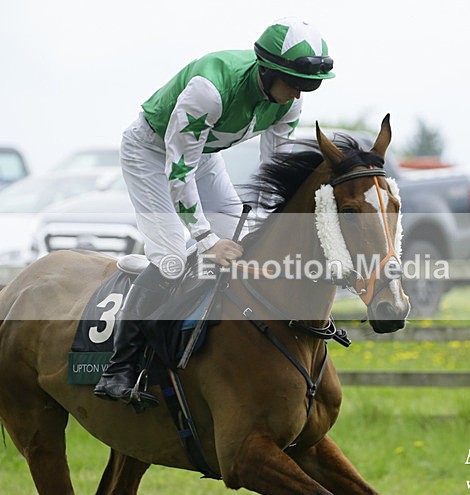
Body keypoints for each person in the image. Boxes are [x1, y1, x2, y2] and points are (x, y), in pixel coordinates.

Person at [94, 17, 335, 406]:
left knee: (237, 239)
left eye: (308, 86)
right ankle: (119, 368)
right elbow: (177, 170)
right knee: (173, 253)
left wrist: (266, 231)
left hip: (202, 156)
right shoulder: (209, 91)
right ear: (268, 71)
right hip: (151, 152)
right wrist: (206, 240)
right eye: (293, 83)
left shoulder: (288, 104)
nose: (297, 95)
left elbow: (276, 177)